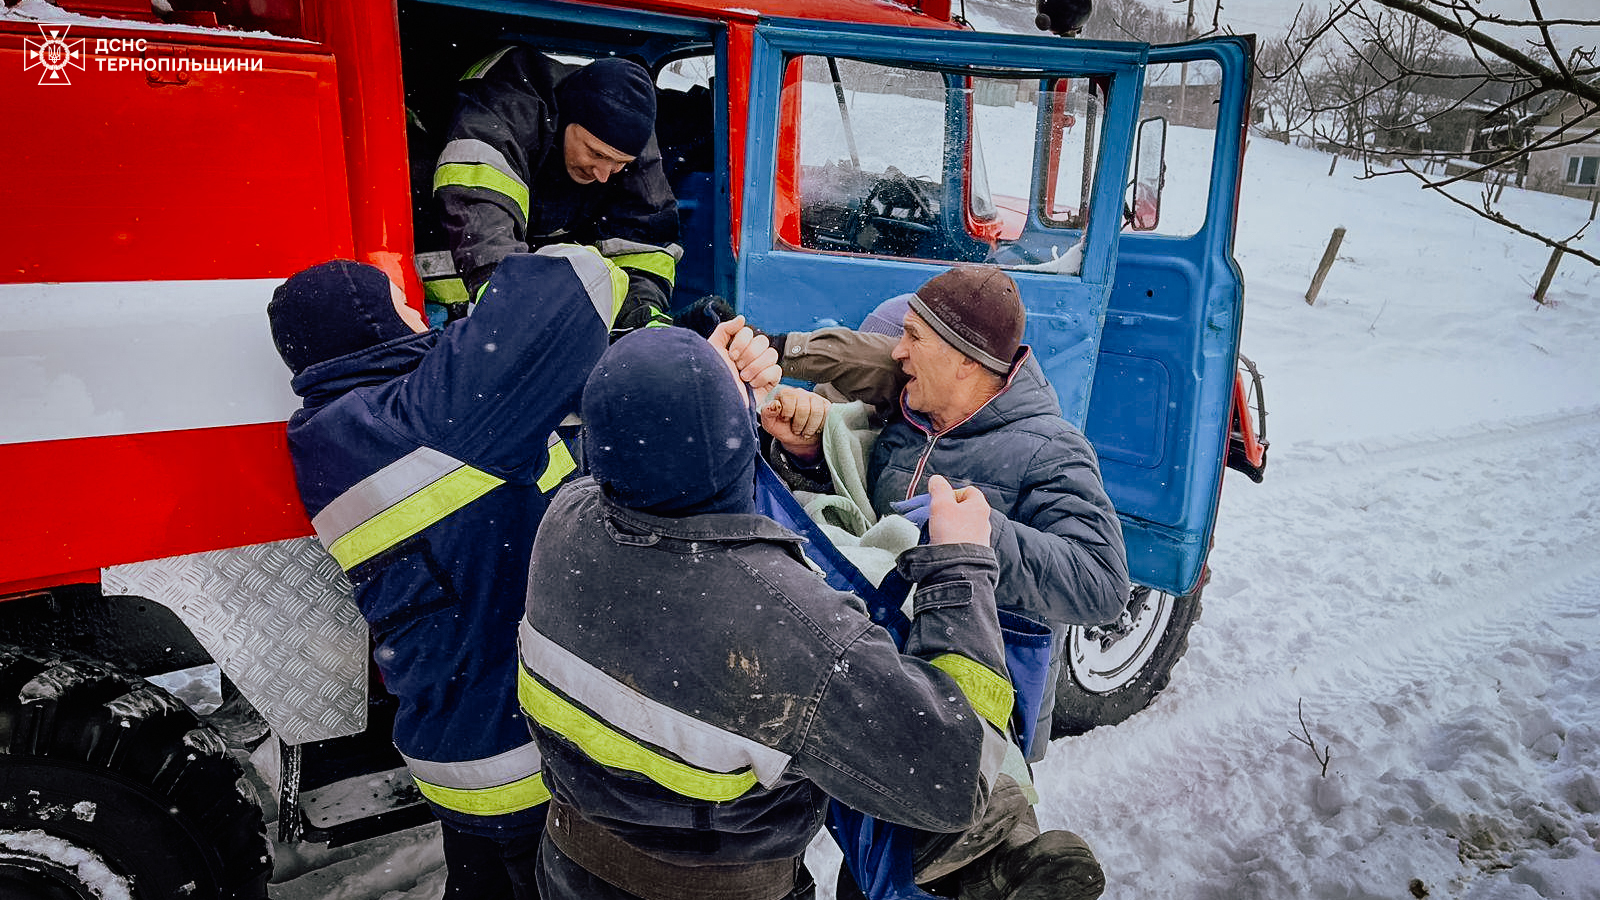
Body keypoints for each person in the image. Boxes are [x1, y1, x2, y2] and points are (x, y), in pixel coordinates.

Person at [518, 326, 1102, 900]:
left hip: (570, 867)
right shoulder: (787, 630)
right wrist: (963, 564)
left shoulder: (565, 523)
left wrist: (708, 394)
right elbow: (956, 776)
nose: (900, 352)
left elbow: (666, 464)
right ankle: (984, 860)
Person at [267, 249, 778, 900]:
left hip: (463, 749)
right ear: (371, 324)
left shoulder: (336, 435)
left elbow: (528, 462)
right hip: (532, 760)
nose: (423, 313)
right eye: (403, 301)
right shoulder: (432, 416)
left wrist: (693, 365)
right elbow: (577, 275)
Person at [764, 266, 1128, 898]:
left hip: (981, 693)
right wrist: (808, 457)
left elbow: (1101, 584)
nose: (898, 352)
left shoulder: (1048, 448)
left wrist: (981, 536)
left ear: (964, 360)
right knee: (880, 855)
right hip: (889, 684)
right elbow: (871, 529)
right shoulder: (909, 421)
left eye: (913, 337)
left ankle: (1005, 862)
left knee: (943, 844)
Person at [429, 50, 680, 331]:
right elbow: (481, 216)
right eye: (594, 153)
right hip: (439, 278)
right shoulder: (508, 109)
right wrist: (515, 314)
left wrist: (640, 322)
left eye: (620, 164)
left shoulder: (631, 147)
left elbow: (643, 245)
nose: (603, 174)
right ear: (565, 119)